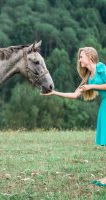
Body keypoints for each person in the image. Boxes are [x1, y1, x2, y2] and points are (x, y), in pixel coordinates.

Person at [42, 47, 106, 186]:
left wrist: (91, 87)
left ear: (90, 56)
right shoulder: (88, 78)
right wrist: (54, 93)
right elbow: (75, 95)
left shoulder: (101, 68)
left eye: (81, 56)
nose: (79, 59)